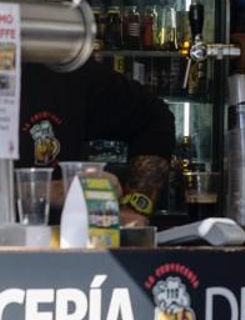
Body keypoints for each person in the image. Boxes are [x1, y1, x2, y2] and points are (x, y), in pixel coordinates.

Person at [20, 57, 175, 224]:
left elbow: (153, 117)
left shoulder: (61, 69)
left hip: (60, 236)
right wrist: (42, 190)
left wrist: (135, 206)